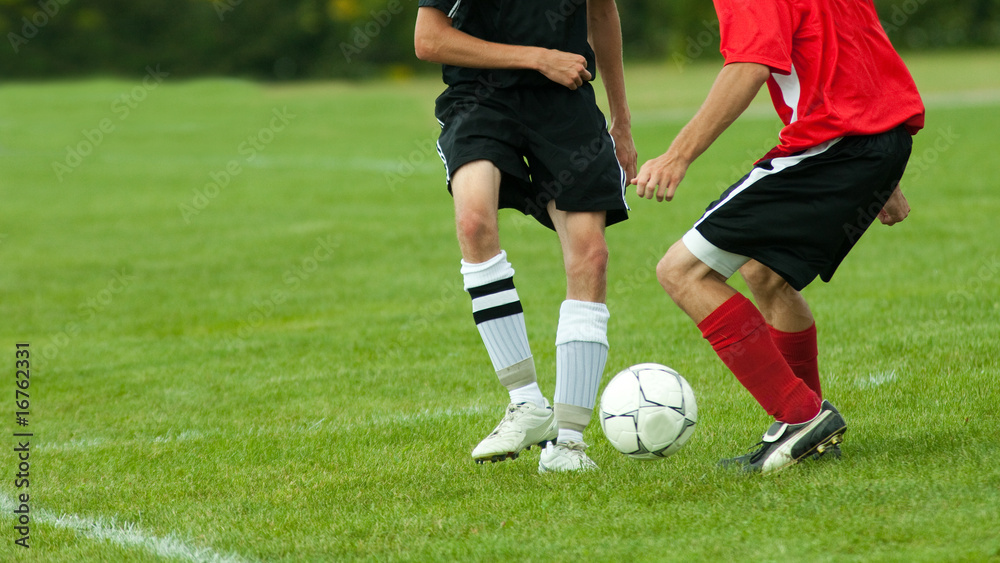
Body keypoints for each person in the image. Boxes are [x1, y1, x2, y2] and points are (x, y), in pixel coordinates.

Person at [631, 0, 924, 472]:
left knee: (682, 271)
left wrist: (677, 155)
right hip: (873, 139)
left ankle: (801, 415)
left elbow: (749, 65)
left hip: (836, 145)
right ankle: (806, 433)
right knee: (763, 272)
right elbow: (852, 51)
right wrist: (883, 169)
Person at [413, 0, 637, 472]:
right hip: (481, 95)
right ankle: (527, 403)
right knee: (474, 220)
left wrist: (622, 121)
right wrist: (536, 56)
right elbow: (429, 39)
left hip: (566, 98)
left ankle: (570, 442)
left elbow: (602, 15)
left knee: (590, 256)